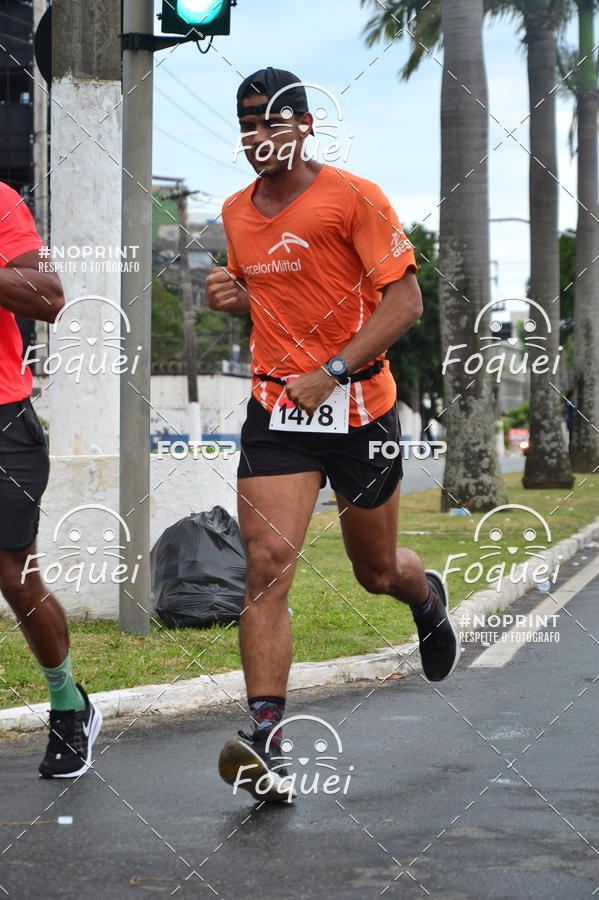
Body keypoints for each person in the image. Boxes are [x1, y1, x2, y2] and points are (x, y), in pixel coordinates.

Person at [206, 69, 459, 802]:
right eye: (247, 123)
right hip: (278, 409)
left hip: (362, 411)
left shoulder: (354, 197)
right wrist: (235, 300)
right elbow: (274, 307)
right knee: (266, 563)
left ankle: (424, 597)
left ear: (306, 124)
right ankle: (267, 740)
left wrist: (336, 369)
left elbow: (405, 299)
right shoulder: (234, 212)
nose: (258, 136)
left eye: (271, 122)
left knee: (374, 572)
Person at [0, 181, 102, 777]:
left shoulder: (3, 201)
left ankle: (68, 703)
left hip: (3, 418)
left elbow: (48, 296)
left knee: (14, 575)